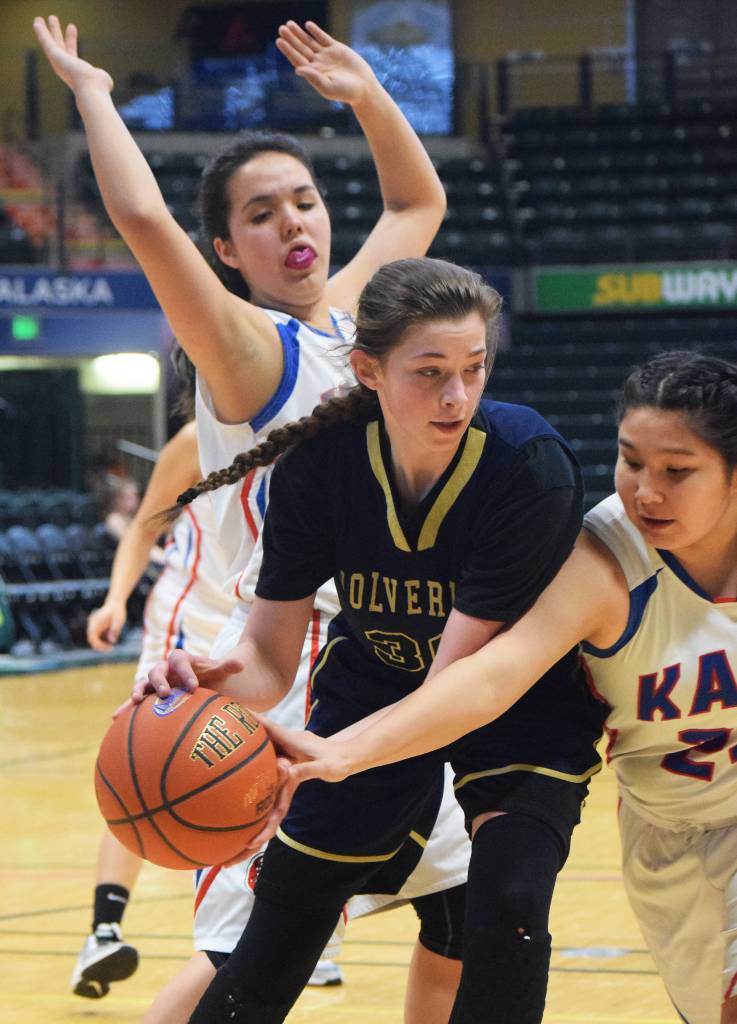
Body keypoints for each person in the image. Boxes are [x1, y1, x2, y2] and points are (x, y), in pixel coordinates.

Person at [34, 16, 470, 1024]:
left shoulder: (355, 314)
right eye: (261, 214)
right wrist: (95, 92)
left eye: (305, 200)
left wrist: (365, 96)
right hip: (279, 678)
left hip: (370, 661)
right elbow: (143, 218)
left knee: (458, 902)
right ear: (226, 249)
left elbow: (416, 199)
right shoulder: (247, 351)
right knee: (247, 956)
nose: (293, 222)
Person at [142, 257, 605, 1024]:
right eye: (428, 373)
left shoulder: (529, 463)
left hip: (518, 702)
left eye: (472, 368)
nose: (456, 395)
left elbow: (459, 688)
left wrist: (340, 754)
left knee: (510, 904)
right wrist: (211, 676)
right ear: (367, 369)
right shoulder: (322, 463)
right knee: (285, 913)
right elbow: (268, 659)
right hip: (379, 684)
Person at [269, 349, 737, 1024]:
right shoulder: (603, 560)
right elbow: (491, 676)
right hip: (678, 835)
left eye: (676, 471)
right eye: (631, 460)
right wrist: (345, 751)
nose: (645, 490)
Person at [72, 416, 236, 999]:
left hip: (261, 631)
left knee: (259, 778)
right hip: (185, 628)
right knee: (145, 774)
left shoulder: (305, 420)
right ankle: (103, 931)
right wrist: (115, 600)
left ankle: (293, 931)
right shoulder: (197, 440)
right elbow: (143, 529)